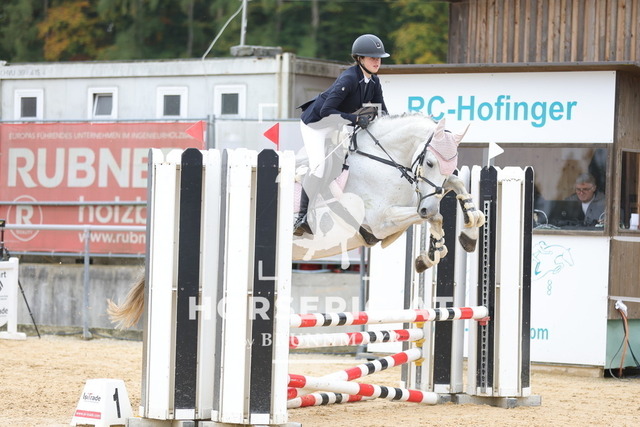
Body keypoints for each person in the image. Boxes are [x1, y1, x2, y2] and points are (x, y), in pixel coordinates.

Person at [294, 34, 390, 236]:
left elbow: (382, 111)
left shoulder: (374, 82)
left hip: (338, 124)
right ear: (359, 59)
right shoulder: (349, 78)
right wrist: (355, 119)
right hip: (316, 124)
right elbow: (326, 111)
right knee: (319, 166)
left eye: (379, 58)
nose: (377, 62)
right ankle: (302, 217)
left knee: (348, 161)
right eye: (372, 58)